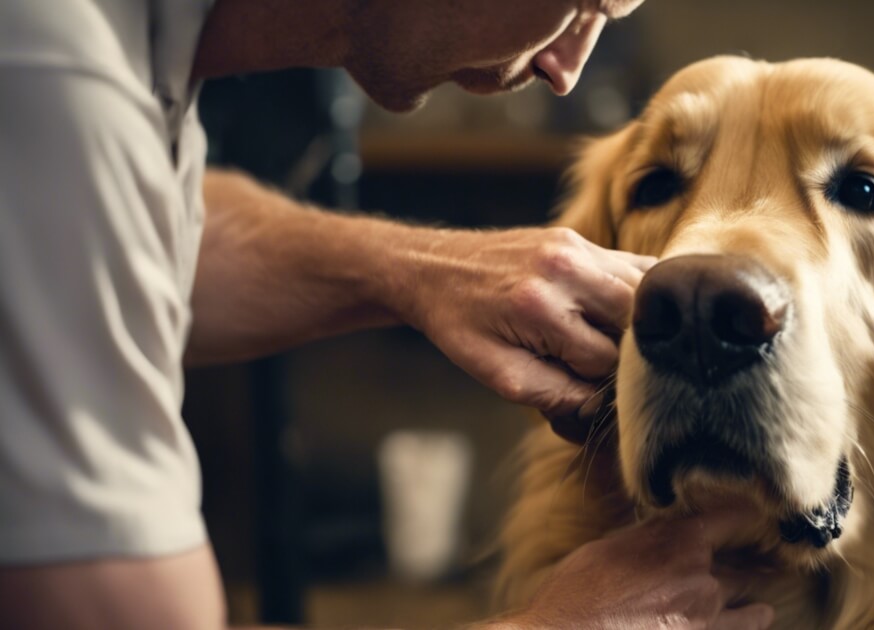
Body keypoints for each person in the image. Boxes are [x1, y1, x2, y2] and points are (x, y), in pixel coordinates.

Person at [0, 0, 775, 628]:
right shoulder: (52, 78)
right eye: (584, 2)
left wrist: (411, 272)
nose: (567, 68)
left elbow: (135, 234)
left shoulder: (120, 55)